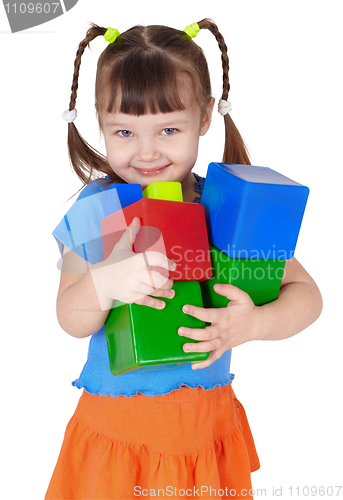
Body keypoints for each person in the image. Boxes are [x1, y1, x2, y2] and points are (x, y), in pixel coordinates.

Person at [45, 19, 323, 500]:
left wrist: (252, 324)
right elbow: (69, 316)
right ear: (99, 121)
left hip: (204, 430)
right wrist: (105, 284)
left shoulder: (225, 205)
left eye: (169, 129)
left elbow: (307, 297)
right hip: (118, 434)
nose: (146, 151)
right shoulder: (102, 207)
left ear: (206, 115)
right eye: (124, 132)